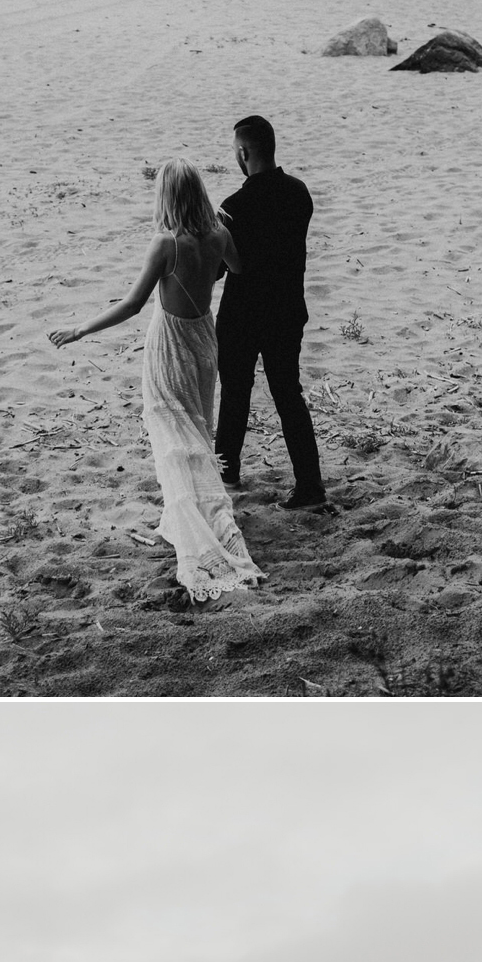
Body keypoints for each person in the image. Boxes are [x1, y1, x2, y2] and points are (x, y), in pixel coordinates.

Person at [48, 159, 260, 602]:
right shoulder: (219, 233)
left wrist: (81, 329)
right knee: (196, 427)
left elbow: (132, 304)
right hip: (205, 338)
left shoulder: (166, 243)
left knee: (170, 427)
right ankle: (191, 512)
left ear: (167, 196)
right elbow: (237, 270)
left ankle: (193, 523)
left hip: (172, 344)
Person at [215, 113, 328, 510]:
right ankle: (310, 484)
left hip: (242, 315)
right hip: (286, 310)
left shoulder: (234, 207)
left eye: (235, 151)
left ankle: (226, 472)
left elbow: (218, 268)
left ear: (243, 153)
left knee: (235, 394)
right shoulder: (299, 193)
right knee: (288, 394)